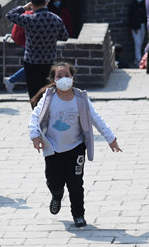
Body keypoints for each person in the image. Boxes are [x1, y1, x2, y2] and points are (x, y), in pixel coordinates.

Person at [28, 62, 121, 228]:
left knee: (76, 183)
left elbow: (96, 118)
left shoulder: (81, 99)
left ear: (73, 78)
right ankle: (56, 195)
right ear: (53, 80)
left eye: (67, 76)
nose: (64, 79)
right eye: (59, 76)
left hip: (76, 148)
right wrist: (35, 135)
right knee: (53, 181)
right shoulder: (48, 97)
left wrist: (110, 138)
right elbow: (35, 116)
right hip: (53, 148)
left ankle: (78, 214)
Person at [6, 0, 69, 106]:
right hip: (49, 61)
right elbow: (65, 37)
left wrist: (24, 8)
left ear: (32, 4)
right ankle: (48, 116)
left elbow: (10, 15)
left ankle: (36, 116)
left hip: (31, 61)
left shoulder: (29, 20)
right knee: (49, 92)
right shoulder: (56, 19)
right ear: (46, 2)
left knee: (34, 93)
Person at [4, 0, 47, 94]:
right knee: (32, 67)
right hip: (29, 45)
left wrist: (23, 8)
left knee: (31, 67)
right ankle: (12, 80)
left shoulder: (28, 15)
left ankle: (28, 86)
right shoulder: (33, 16)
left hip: (26, 43)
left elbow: (10, 15)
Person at [127, 0, 147, 66]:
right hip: (136, 27)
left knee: (141, 43)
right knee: (137, 43)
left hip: (142, 26)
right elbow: (131, 18)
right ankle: (138, 59)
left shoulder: (143, 6)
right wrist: (134, 27)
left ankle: (138, 58)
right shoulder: (133, 6)